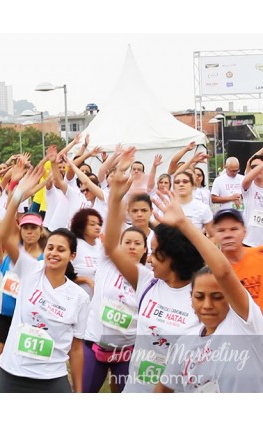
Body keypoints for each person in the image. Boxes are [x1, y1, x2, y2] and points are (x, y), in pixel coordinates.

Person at [105, 147, 204, 393]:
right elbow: (110, 246)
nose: (148, 257)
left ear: (172, 257)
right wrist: (116, 198)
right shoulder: (146, 281)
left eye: (155, 251)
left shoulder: (202, 295)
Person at [154, 190, 263, 392]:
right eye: (199, 297)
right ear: (191, 299)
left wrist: (184, 224)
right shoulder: (185, 342)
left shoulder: (246, 325)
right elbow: (164, 388)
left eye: (217, 297)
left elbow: (223, 272)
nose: (207, 305)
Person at [0, 163, 89, 393]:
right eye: (51, 248)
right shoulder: (29, 270)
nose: (54, 253)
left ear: (72, 256)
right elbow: (4, 237)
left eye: (61, 250)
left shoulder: (79, 297)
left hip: (52, 378)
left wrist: (78, 390)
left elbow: (76, 349)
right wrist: (16, 195)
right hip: (13, 373)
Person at [84, 187, 150, 393]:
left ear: (145, 249)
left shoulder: (149, 278)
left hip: (127, 351)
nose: (132, 246)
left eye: (137, 243)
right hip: (95, 344)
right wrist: (118, 199)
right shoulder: (107, 262)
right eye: (127, 242)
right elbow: (112, 227)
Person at [0, 212, 46, 390]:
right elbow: (2, 231)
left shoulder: (44, 259)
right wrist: (16, 192)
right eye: (25, 227)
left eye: (33, 228)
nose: (29, 231)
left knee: (23, 364)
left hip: (25, 318)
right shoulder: (13, 249)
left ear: (40, 231)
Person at [212, 208, 263, 310]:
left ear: (244, 231)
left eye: (234, 229)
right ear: (214, 235)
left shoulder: (260, 255)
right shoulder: (213, 273)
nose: (228, 235)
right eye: (221, 230)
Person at [70, 208, 103, 298]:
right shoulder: (74, 244)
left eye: (99, 224)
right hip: (77, 298)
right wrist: (86, 280)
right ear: (81, 227)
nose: (97, 227)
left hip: (98, 301)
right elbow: (62, 274)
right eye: (92, 224)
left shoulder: (101, 245)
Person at [172, 171, 213, 236]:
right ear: (173, 187)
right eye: (177, 182)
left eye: (185, 181)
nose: (181, 184)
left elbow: (213, 236)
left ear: (192, 185)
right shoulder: (167, 207)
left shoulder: (203, 208)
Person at [241, 155, 263, 247]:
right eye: (253, 167)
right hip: (250, 242)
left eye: (259, 166)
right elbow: (246, 179)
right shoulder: (248, 186)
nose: (257, 169)